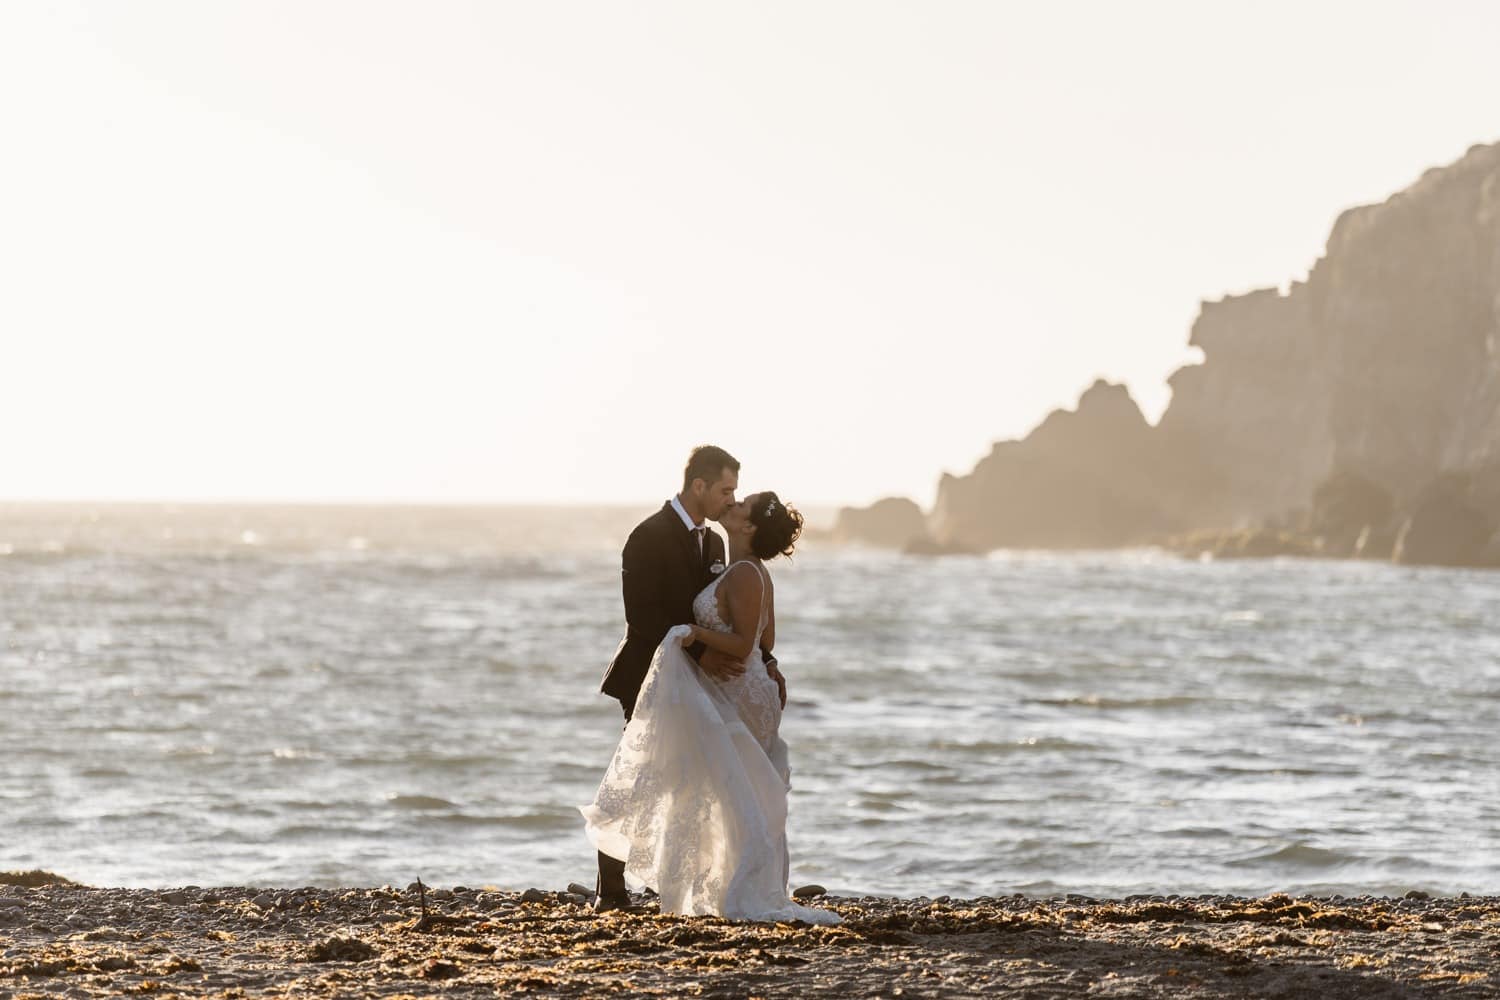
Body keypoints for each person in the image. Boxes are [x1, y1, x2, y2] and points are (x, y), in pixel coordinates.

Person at [581, 488, 841, 924]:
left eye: (741, 503)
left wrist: (695, 634)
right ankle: (716, 882)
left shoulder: (743, 572)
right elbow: (765, 640)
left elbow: (745, 644)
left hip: (738, 690)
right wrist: (762, 660)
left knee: (725, 784)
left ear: (749, 526)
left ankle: (725, 886)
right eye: (731, 494)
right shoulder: (739, 565)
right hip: (740, 687)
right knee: (730, 787)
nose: (733, 503)